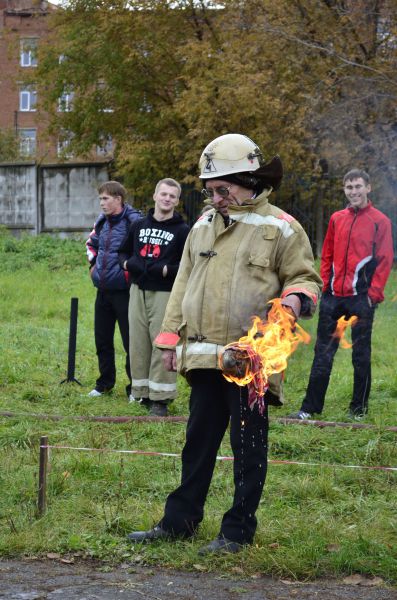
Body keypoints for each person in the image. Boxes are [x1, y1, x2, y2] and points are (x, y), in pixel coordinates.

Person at [126, 134, 322, 554]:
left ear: (248, 180)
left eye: (222, 189)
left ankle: (236, 531)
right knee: (197, 442)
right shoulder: (202, 226)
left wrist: (292, 300)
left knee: (248, 448)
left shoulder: (282, 228)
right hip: (203, 356)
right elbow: (183, 282)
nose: (214, 198)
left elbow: (306, 279)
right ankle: (179, 522)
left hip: (251, 360)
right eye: (210, 190)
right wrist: (168, 336)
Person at [288, 169, 394, 421]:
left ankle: (358, 410)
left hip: (361, 298)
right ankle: (309, 409)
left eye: (358, 186)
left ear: (368, 188)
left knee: (361, 355)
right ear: (344, 190)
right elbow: (326, 254)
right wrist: (325, 286)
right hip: (333, 297)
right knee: (322, 354)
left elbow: (385, 260)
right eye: (349, 187)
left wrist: (373, 295)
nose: (354, 191)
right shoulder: (337, 218)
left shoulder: (381, 221)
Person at [119, 178, 189, 416]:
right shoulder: (138, 225)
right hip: (137, 291)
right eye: (164, 194)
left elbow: (189, 265)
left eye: (172, 195)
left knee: (163, 344)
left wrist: (168, 270)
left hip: (165, 294)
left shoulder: (182, 231)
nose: (167, 198)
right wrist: (129, 264)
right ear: (155, 195)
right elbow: (122, 252)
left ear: (177, 201)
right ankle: (142, 393)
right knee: (138, 343)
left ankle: (161, 400)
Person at [86, 181, 141, 398]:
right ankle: (104, 384)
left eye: (106, 198)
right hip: (103, 291)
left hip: (126, 292)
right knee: (102, 340)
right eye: (100, 199)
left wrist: (129, 274)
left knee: (131, 342)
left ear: (118, 199)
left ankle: (134, 389)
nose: (102, 203)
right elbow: (91, 245)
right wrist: (93, 269)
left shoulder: (134, 221)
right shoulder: (101, 221)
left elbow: (140, 252)